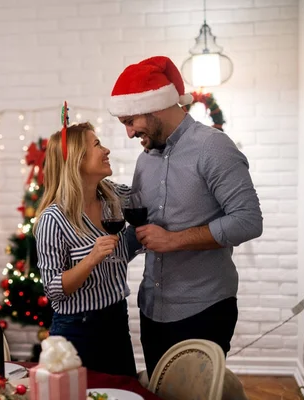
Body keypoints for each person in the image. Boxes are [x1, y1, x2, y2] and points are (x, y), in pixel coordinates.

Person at [108, 56, 263, 377]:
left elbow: (248, 220)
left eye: (130, 120)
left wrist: (175, 240)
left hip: (203, 308)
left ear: (156, 106)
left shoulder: (213, 148)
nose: (128, 133)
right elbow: (141, 230)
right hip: (151, 308)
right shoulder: (144, 160)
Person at [34, 114, 137, 377]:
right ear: (78, 159)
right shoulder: (53, 219)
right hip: (76, 331)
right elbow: (54, 289)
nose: (106, 150)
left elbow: (149, 197)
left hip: (116, 320)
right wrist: (90, 259)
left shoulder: (113, 198)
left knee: (123, 393)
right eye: (97, 144)